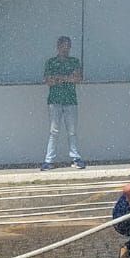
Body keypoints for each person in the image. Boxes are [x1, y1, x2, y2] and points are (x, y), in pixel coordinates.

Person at [42, 36, 86, 171]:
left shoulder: (74, 61)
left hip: (70, 100)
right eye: (64, 45)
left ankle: (76, 157)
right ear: (58, 46)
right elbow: (49, 80)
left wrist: (59, 78)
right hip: (55, 100)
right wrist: (68, 78)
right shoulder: (51, 62)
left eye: (68, 46)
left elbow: (78, 79)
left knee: (72, 131)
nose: (66, 49)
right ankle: (49, 160)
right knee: (54, 131)